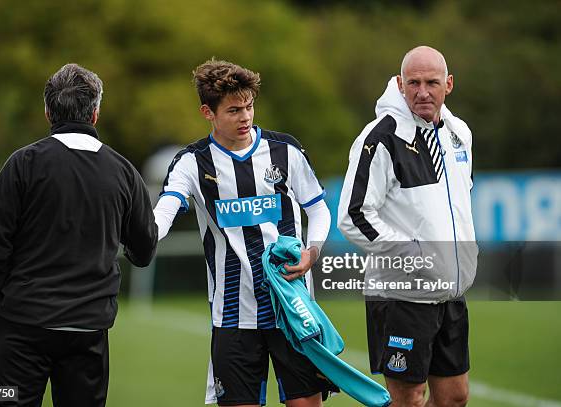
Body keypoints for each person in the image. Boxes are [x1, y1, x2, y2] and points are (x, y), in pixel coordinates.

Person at [0, 63, 157, 406]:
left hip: (21, 325)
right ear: (96, 113)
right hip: (87, 330)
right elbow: (144, 249)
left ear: (47, 111)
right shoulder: (124, 172)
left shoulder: (23, 163)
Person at [153, 59, 333, 407]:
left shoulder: (285, 151)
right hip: (233, 315)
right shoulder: (192, 162)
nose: (245, 117)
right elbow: (167, 207)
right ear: (208, 112)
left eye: (249, 106)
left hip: (292, 309)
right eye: (234, 110)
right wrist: (145, 234)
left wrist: (313, 251)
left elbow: (319, 209)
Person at [337, 46, 477, 407]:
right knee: (409, 399)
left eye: (432, 82)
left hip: (450, 293)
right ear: (400, 84)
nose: (422, 91)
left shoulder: (460, 133)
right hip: (402, 295)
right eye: (413, 83)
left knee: (454, 398)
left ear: (449, 84)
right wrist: (411, 255)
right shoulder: (380, 137)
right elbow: (353, 215)